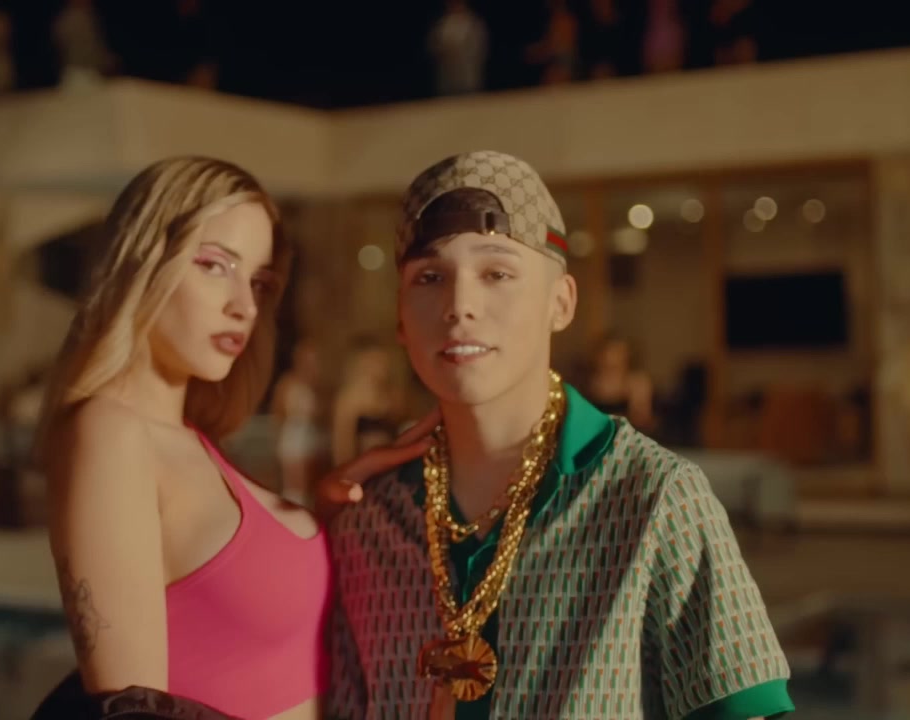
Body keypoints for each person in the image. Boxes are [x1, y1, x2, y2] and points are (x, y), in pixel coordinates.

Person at [322, 150, 795, 719]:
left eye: (497, 273)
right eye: (430, 277)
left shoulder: (652, 498)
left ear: (561, 302)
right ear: (401, 317)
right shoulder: (368, 523)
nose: (459, 305)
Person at [33, 156, 319, 719]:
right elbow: (130, 711)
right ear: (144, 262)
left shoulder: (195, 443)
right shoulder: (111, 433)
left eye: (260, 282)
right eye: (215, 265)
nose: (244, 306)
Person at [330, 339, 406, 467]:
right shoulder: (349, 398)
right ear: (363, 363)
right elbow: (342, 447)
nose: (383, 366)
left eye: (383, 360)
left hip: (391, 465)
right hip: (363, 466)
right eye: (376, 361)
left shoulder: (391, 394)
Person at [270, 339, 324, 504]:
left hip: (311, 433)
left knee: (310, 481)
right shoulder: (287, 382)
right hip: (293, 434)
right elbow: (277, 411)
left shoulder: (315, 385)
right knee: (294, 482)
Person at [587, 333, 657, 430]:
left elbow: (643, 421)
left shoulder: (637, 382)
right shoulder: (590, 384)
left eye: (617, 354)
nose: (611, 358)